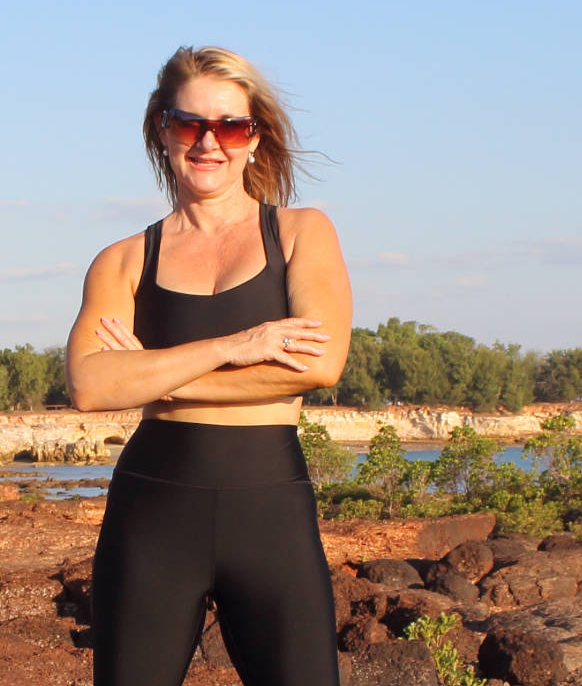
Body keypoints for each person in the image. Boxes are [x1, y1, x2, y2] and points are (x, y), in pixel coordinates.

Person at [65, 45, 352, 686]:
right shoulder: (123, 260)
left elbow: (320, 365)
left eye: (230, 126)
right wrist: (232, 346)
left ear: (254, 138)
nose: (208, 143)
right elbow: (89, 385)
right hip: (152, 516)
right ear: (162, 130)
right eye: (189, 123)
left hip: (271, 510)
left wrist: (159, 380)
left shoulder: (303, 233)